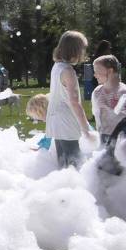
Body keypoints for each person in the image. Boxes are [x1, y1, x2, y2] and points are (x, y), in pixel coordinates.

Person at [46, 30, 95, 169]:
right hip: (67, 122)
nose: (84, 52)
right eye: (83, 49)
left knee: (63, 165)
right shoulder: (68, 71)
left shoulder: (56, 67)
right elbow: (74, 102)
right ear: (75, 50)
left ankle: (64, 189)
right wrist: (86, 128)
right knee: (76, 164)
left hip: (55, 120)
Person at [91, 54, 126, 145]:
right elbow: (96, 115)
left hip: (122, 139)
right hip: (103, 137)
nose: (95, 75)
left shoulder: (123, 92)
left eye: (97, 71)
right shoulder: (97, 92)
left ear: (110, 71)